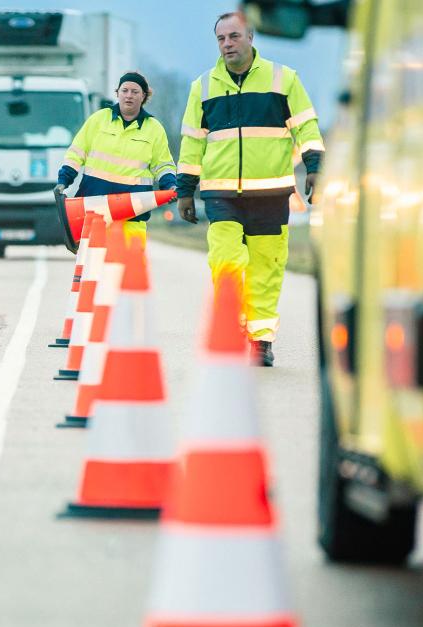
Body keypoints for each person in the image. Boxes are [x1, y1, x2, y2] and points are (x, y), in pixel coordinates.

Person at [176, 11, 324, 367]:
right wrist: (185, 190)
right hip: (221, 195)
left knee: (266, 269)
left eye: (234, 37)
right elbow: (192, 143)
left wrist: (315, 167)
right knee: (226, 262)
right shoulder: (203, 86)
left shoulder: (283, 79)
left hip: (271, 194)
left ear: (251, 37)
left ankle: (261, 340)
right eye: (221, 39)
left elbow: (306, 126)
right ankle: (232, 324)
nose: (227, 44)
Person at [54, 72, 177, 236]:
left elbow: (163, 165)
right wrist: (64, 180)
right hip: (94, 208)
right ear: (117, 93)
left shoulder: (154, 129)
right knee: (93, 260)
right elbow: (76, 154)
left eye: (135, 92)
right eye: (125, 90)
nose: (129, 96)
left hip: (133, 214)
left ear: (144, 97)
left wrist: (170, 186)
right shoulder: (98, 119)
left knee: (129, 261)